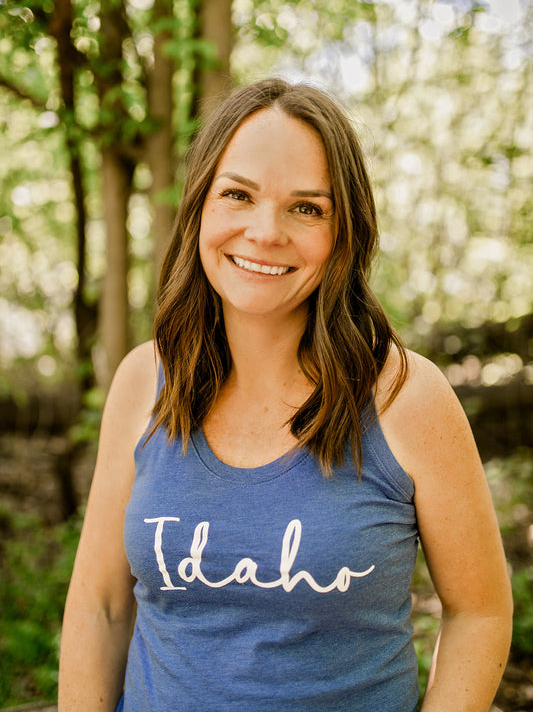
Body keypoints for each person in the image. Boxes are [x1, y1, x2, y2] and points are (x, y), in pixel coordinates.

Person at [58, 78, 512, 712]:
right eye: (237, 194)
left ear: (343, 231)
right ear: (200, 210)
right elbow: (101, 608)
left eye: (307, 207)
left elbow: (480, 612)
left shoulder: (406, 397)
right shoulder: (143, 381)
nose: (264, 231)